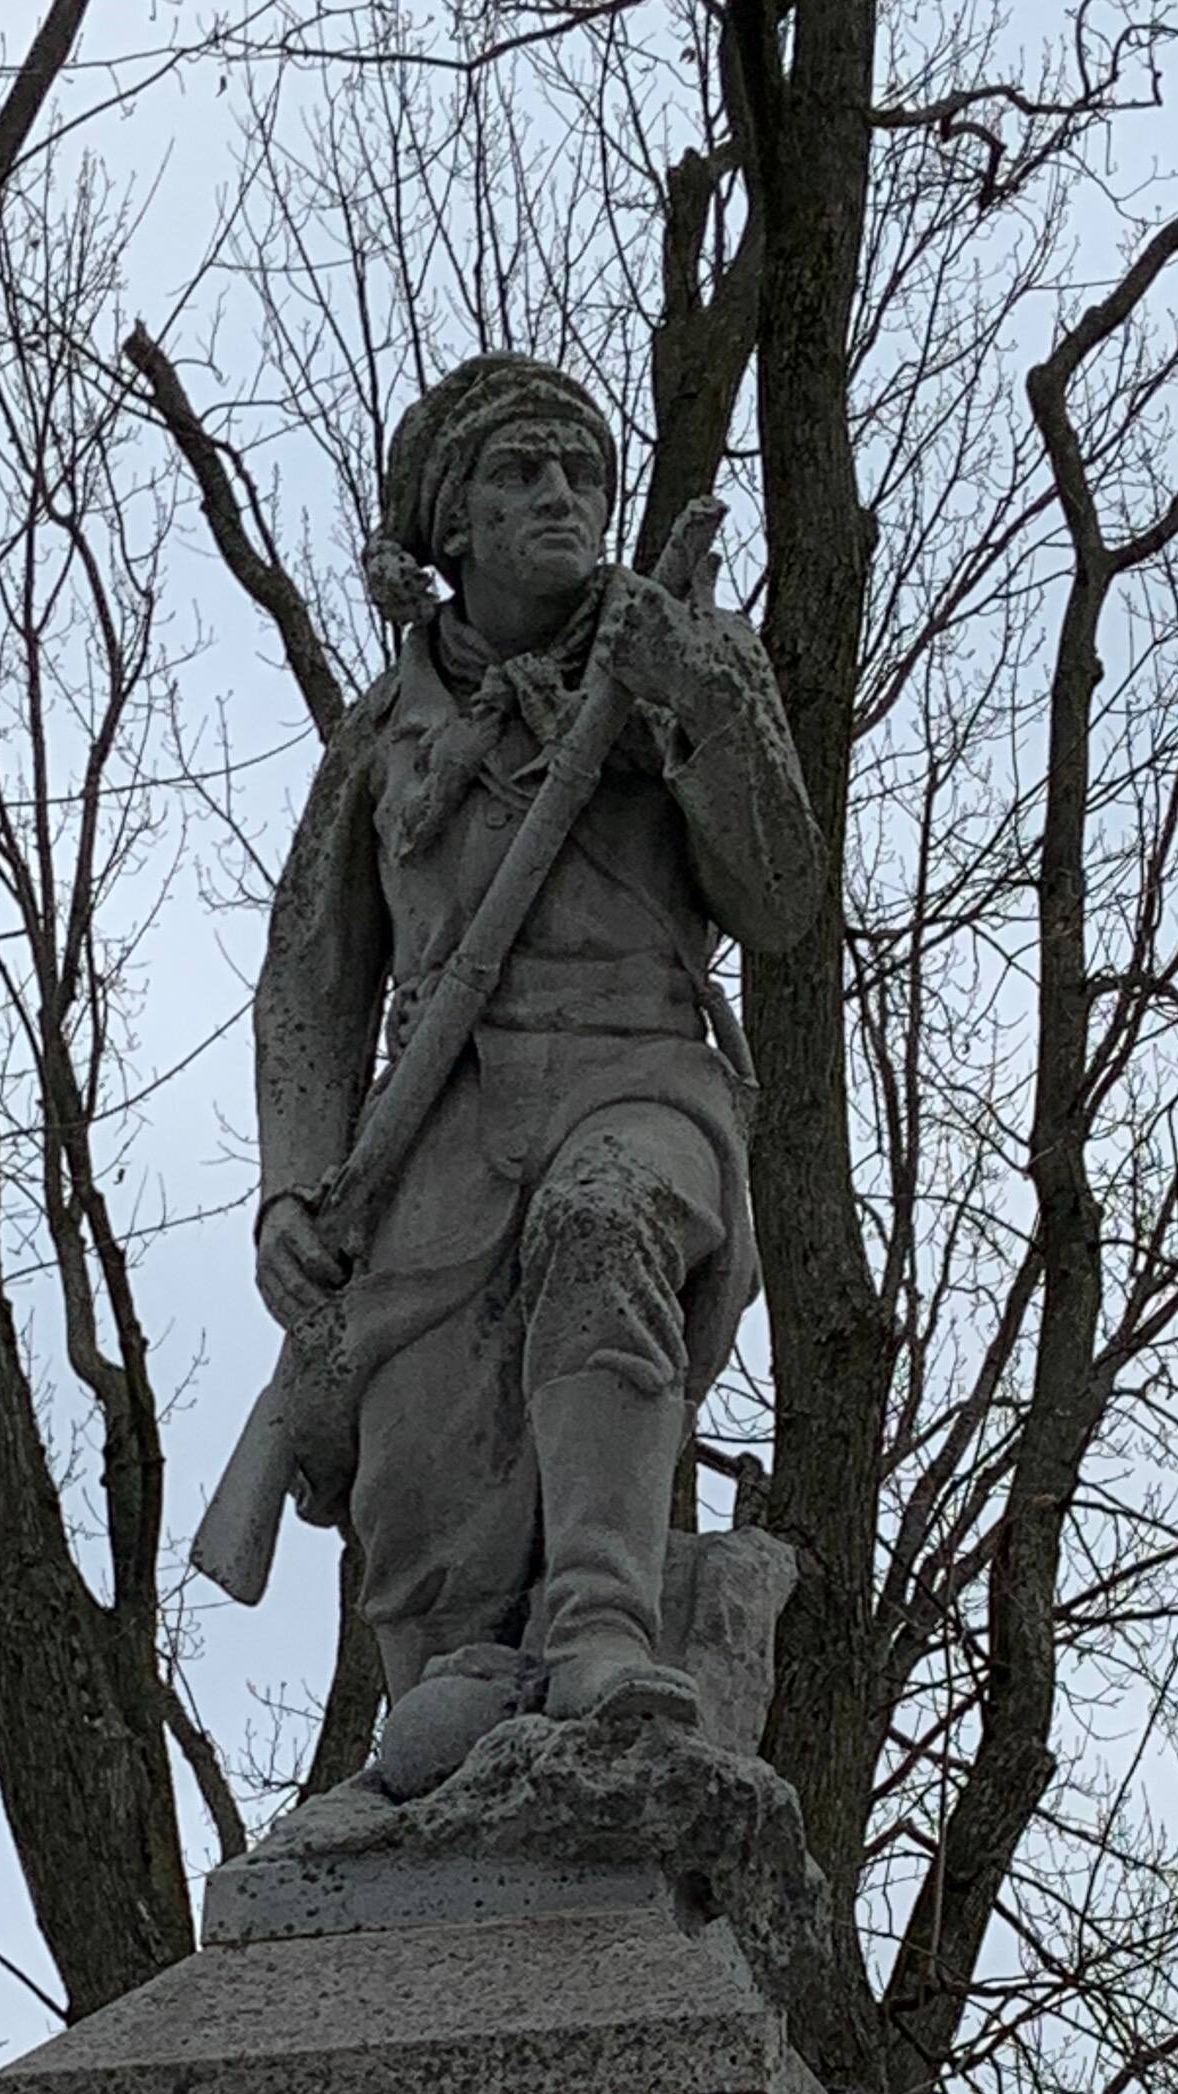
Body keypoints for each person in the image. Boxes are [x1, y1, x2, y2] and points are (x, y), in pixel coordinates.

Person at [251, 353, 822, 1749]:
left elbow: (782, 893)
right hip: (443, 1119)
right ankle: (456, 1668)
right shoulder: (385, 734)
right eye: (520, 473)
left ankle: (603, 1622)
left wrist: (692, 693)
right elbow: (309, 983)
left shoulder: (685, 654)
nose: (561, 495)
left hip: (641, 1073)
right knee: (420, 1456)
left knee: (604, 1225)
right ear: (450, 526)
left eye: (582, 472)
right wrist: (291, 1187)